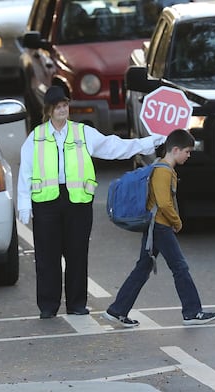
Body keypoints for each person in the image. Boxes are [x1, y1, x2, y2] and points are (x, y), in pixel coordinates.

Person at [18, 85, 166, 319]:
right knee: (47, 257)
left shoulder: (82, 133)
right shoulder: (36, 137)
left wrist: (150, 143)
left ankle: (77, 303)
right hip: (46, 203)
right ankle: (48, 306)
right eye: (58, 106)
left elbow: (114, 146)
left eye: (65, 105)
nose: (63, 110)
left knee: (77, 253)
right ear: (49, 110)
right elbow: (25, 172)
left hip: (77, 202)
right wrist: (24, 204)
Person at [104, 129, 215, 327]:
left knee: (143, 267)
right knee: (180, 267)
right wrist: (177, 222)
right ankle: (192, 312)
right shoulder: (164, 171)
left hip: (154, 226)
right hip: (160, 226)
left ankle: (118, 310)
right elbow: (164, 203)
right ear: (175, 150)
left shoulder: (159, 167)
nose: (188, 155)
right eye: (187, 151)